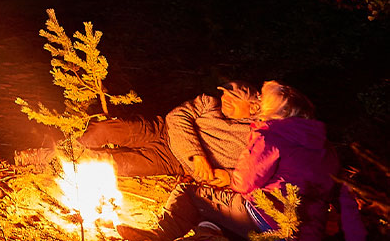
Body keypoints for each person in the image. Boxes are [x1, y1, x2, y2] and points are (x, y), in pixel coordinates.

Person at [119, 81, 366, 241]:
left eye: (264, 100)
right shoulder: (326, 147)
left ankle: (155, 236)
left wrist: (227, 177)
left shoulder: (271, 134)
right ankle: (208, 233)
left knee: (192, 192)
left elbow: (244, 183)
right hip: (305, 232)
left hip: (267, 220)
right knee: (218, 211)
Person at [18, 81, 258, 180]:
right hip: (159, 130)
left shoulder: (257, 138)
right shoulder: (209, 102)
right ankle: (49, 153)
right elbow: (176, 118)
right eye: (225, 93)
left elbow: (247, 174)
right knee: (102, 130)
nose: (225, 98)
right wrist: (198, 156)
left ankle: (49, 161)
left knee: (112, 165)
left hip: (172, 161)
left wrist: (223, 176)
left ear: (253, 107)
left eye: (234, 97)